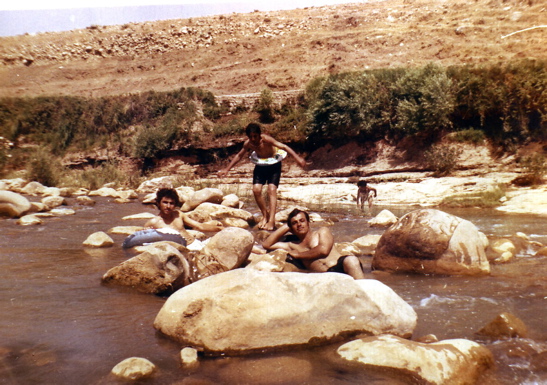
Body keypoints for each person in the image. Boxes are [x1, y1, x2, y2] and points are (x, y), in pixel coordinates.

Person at [218, 123, 307, 231]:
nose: (253, 139)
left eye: (255, 136)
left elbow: (284, 146)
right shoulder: (249, 144)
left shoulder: (266, 139)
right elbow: (239, 155)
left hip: (274, 165)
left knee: (271, 189)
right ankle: (265, 215)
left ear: (259, 135)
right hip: (260, 166)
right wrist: (226, 169)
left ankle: (272, 221)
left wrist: (297, 158)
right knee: (256, 190)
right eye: (250, 137)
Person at [262, 208, 365, 279]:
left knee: (351, 260)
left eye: (302, 221)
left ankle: (367, 295)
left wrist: (299, 255)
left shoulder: (322, 231)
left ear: (308, 222)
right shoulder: (291, 245)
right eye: (295, 223)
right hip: (324, 276)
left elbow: (323, 251)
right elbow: (267, 245)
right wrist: (286, 226)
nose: (299, 224)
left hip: (340, 267)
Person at [145, 187, 224, 248]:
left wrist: (220, 229)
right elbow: (143, 242)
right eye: (165, 202)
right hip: (181, 250)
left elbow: (199, 226)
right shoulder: (153, 222)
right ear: (158, 203)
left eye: (171, 203)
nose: (168, 206)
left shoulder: (178, 214)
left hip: (195, 243)